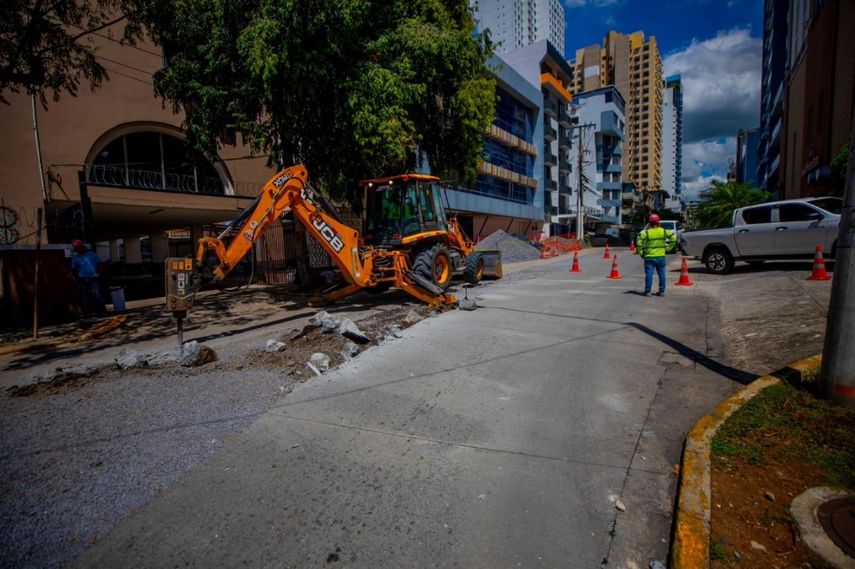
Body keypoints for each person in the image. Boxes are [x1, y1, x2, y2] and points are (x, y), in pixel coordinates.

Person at [637, 214, 677, 297]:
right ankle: (661, 291)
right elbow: (674, 239)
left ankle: (648, 291)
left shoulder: (646, 232)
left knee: (649, 274)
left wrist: (641, 253)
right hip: (660, 256)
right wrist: (669, 248)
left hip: (649, 257)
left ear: (649, 223)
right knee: (662, 274)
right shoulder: (664, 231)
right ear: (658, 222)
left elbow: (639, 243)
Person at [70, 239, 106, 314]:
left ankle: (102, 310)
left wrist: (98, 273)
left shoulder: (92, 254)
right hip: (82, 278)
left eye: (79, 247)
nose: (78, 249)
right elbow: (74, 269)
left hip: (93, 277)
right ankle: (88, 312)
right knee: (85, 295)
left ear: (82, 247)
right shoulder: (75, 258)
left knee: (96, 293)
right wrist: (76, 279)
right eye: (76, 248)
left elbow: (99, 264)